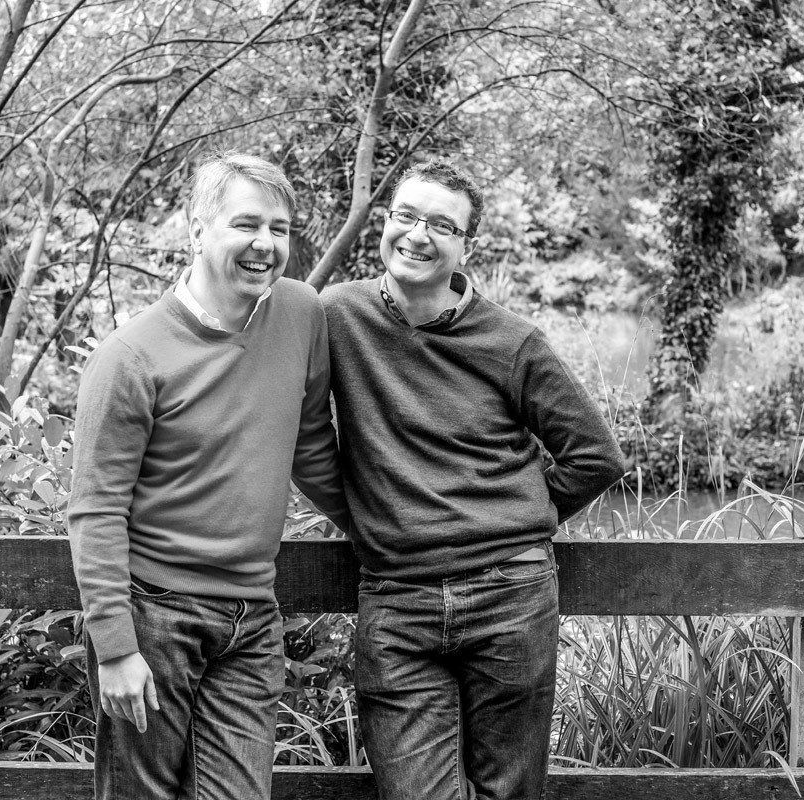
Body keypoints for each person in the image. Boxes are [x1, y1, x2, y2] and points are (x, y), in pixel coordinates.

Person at [322, 158, 625, 800]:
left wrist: (514, 513)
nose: (417, 234)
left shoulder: (513, 343)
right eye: (406, 216)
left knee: (507, 792)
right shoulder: (338, 315)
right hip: (397, 597)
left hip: (509, 593)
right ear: (385, 222)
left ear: (468, 247)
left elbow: (595, 456)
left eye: (441, 224)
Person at [68, 152, 349, 800]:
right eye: (246, 224)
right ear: (198, 230)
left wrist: (386, 529)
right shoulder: (130, 357)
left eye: (279, 228)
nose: (265, 244)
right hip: (155, 614)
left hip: (252, 617)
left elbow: (311, 447)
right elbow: (95, 510)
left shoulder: (301, 312)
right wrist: (116, 648)